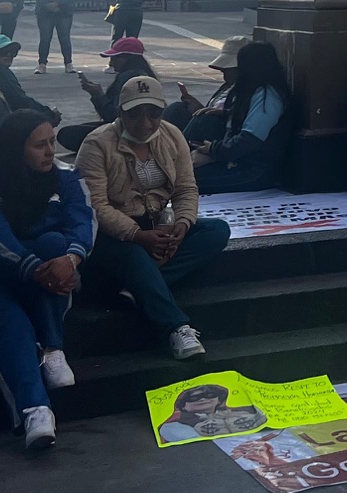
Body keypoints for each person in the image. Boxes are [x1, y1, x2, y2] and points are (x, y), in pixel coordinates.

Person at [0, 111, 95, 452]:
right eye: (39, 145)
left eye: (52, 142)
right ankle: (35, 412)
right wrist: (35, 268)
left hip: (44, 276)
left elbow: (84, 221)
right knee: (14, 323)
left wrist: (70, 259)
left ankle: (52, 348)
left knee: (56, 244)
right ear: (17, 149)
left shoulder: (67, 177)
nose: (50, 151)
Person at [75, 77, 231, 361]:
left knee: (216, 231)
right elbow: (95, 206)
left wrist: (182, 225)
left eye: (154, 114)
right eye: (135, 113)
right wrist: (137, 235)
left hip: (156, 226)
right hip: (111, 234)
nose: (145, 123)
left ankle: (140, 286)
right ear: (121, 113)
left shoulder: (172, 136)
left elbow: (186, 188)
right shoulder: (97, 144)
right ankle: (176, 326)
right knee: (134, 254)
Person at [188, 40, 294, 194]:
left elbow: (248, 141)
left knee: (183, 180)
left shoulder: (268, 97)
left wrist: (213, 150)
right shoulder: (253, 91)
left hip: (251, 170)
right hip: (236, 159)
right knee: (202, 120)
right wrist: (227, 113)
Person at [61, 37, 154, 152]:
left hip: (128, 132)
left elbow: (113, 117)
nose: (111, 63)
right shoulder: (144, 75)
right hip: (134, 130)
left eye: (115, 58)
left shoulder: (128, 78)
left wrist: (98, 95)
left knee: (67, 134)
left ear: (128, 58)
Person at [0, 35, 60, 124]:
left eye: (13, 52)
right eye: (3, 52)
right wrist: (48, 114)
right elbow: (19, 100)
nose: (9, 55)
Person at [157, 382, 263, 443]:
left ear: (219, 400)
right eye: (194, 398)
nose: (202, 399)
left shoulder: (246, 410)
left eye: (209, 395)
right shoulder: (172, 426)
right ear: (183, 405)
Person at [33, 0, 77, 74]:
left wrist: (58, 3)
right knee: (45, 39)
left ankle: (68, 63)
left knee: (65, 38)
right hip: (45, 14)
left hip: (63, 13)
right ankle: (42, 64)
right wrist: (47, 5)